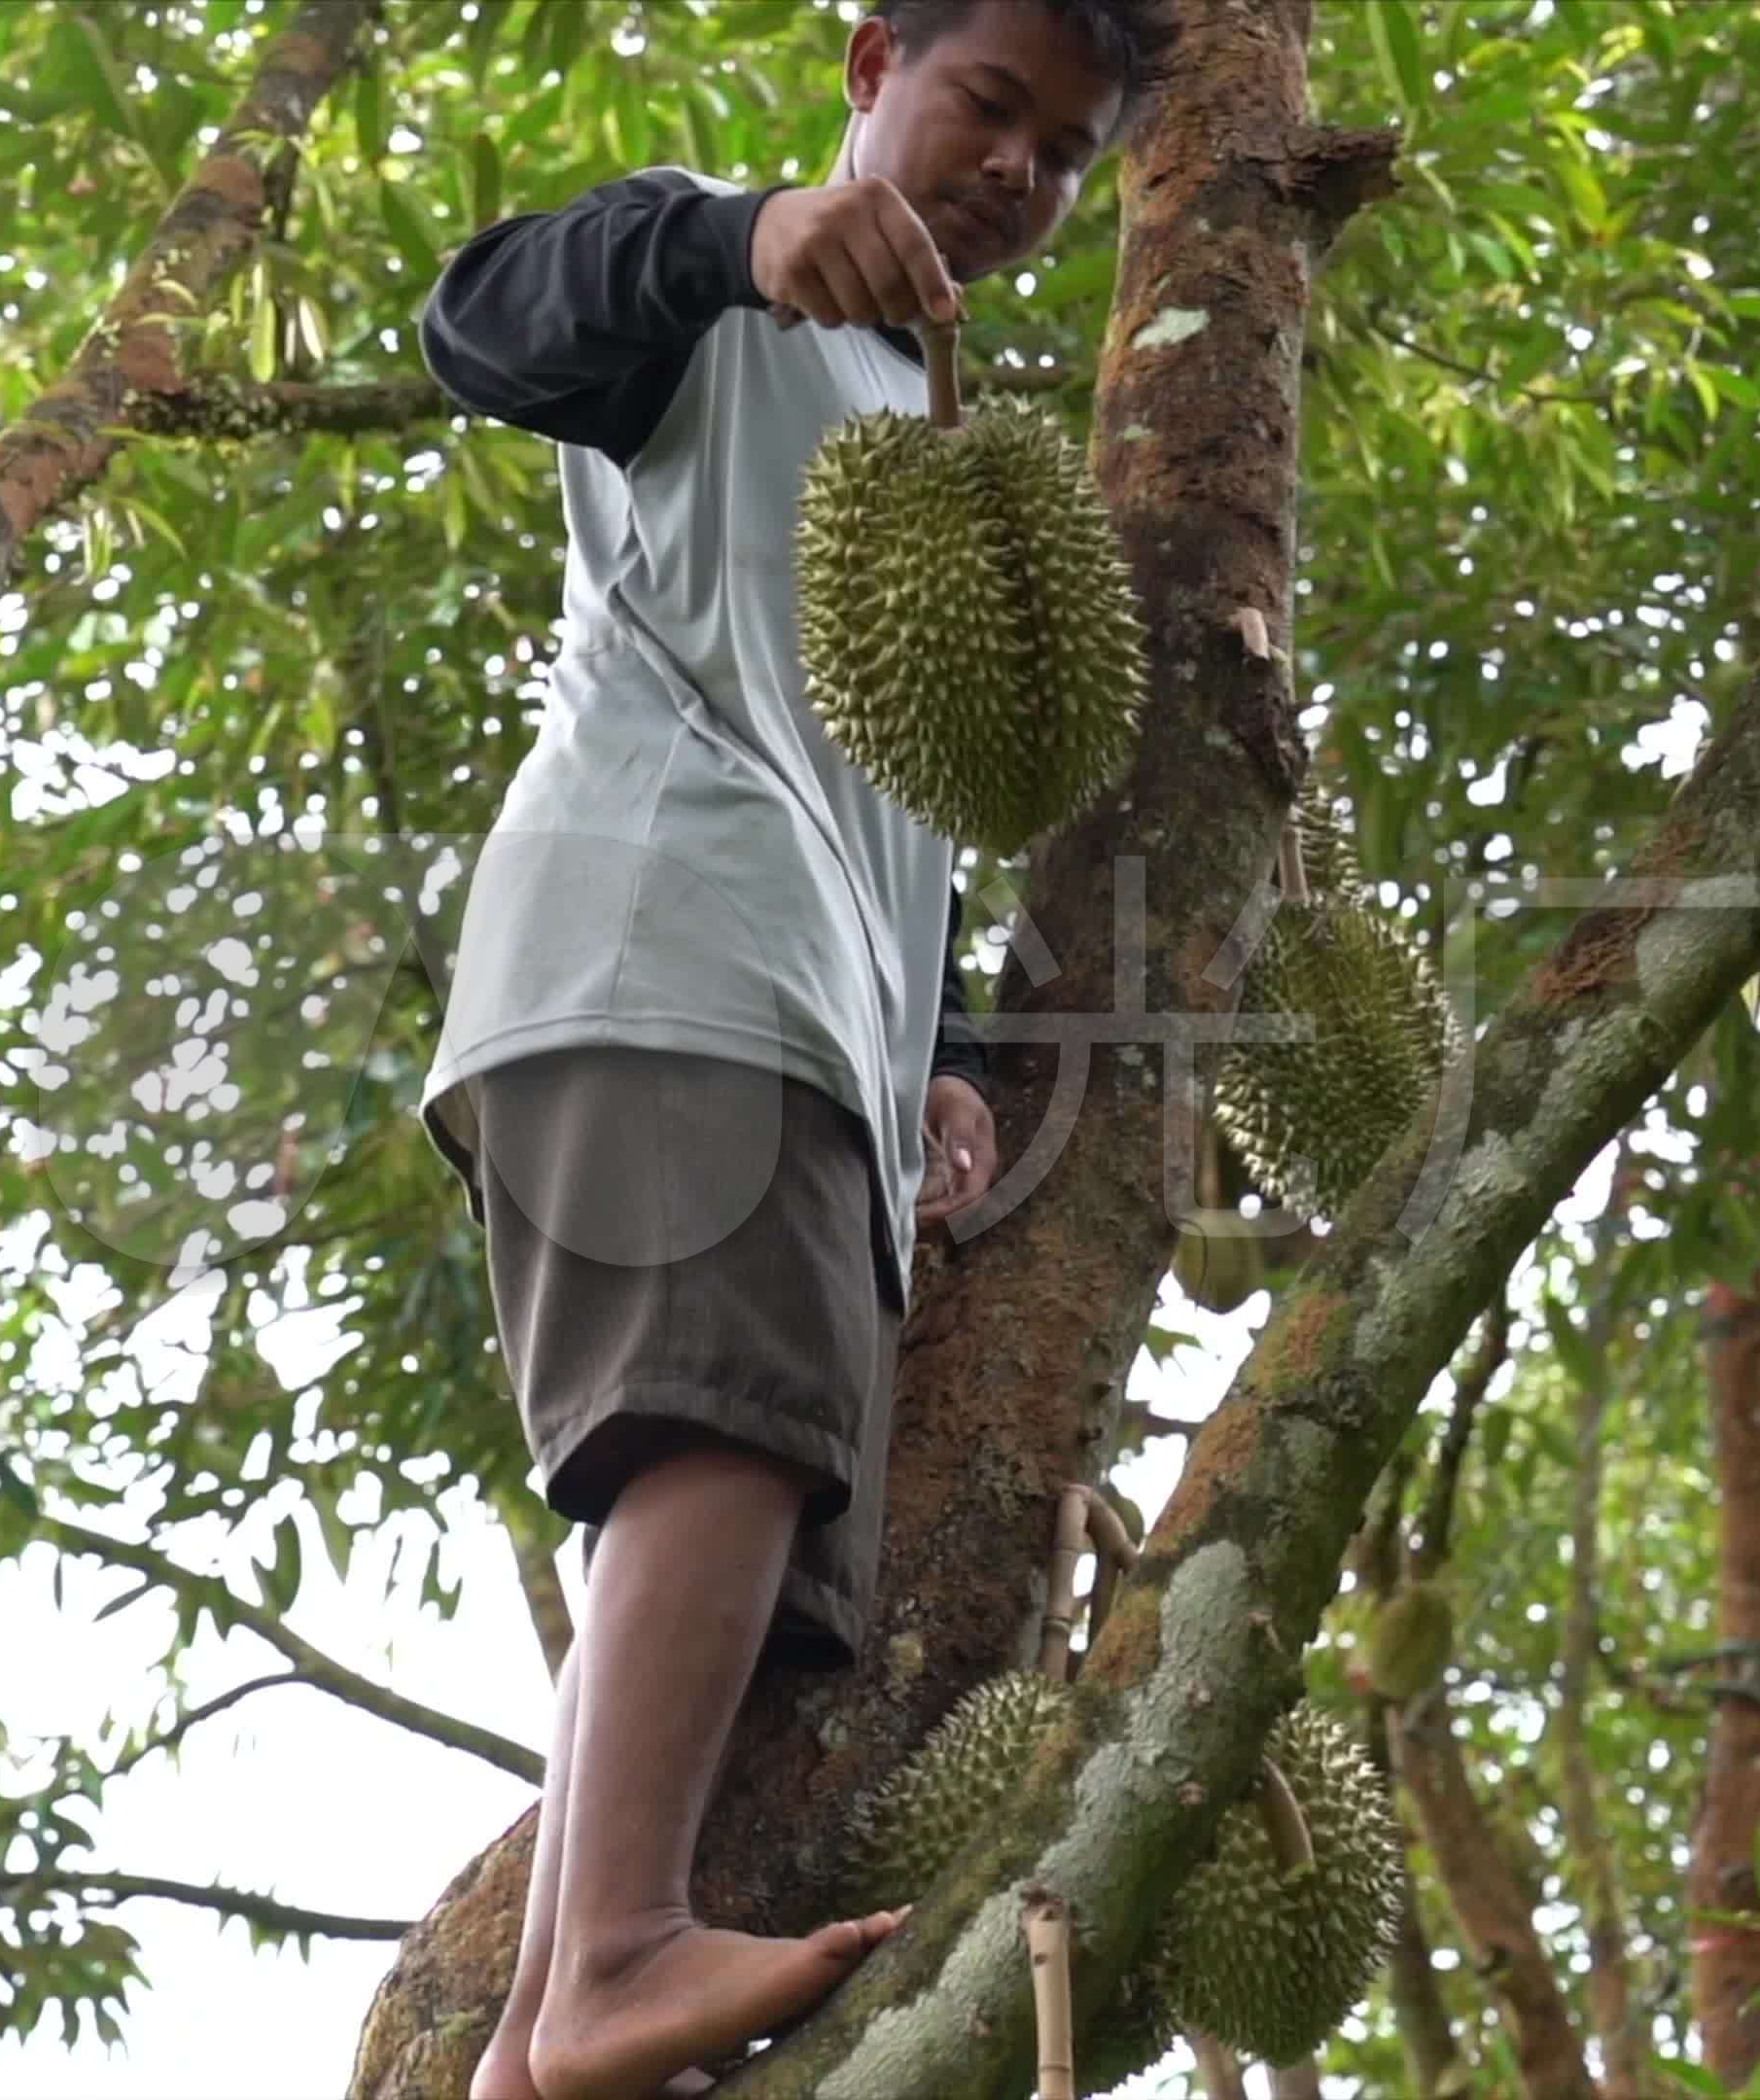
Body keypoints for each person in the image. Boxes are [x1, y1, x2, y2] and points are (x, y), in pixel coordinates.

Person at [404, 3, 1175, 2093]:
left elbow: (898, 808)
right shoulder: (715, 284)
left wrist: (931, 1053)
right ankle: (612, 1958)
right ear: (869, 65)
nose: (1017, 169)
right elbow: (480, 321)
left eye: (1066, 151)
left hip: (804, 1024)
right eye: (985, 106)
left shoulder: (930, 442)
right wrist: (744, 235)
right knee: (721, 1430)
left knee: (744, 1507)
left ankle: (538, 2031)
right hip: (664, 954)